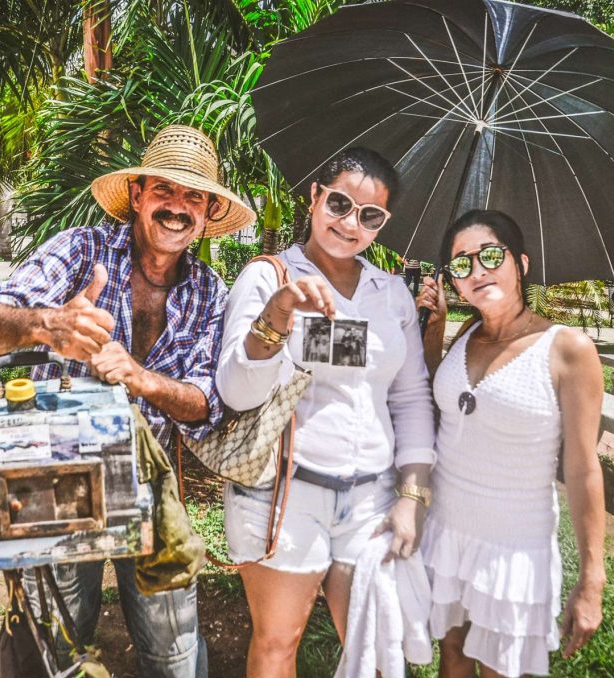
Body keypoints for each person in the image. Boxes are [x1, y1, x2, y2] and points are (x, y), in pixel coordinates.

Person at [0, 124, 256, 678]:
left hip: (150, 483)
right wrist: (47, 324)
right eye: (164, 191)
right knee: (55, 641)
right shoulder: (82, 250)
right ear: (138, 195)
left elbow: (206, 402)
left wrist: (142, 379)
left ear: (208, 212)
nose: (177, 207)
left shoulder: (210, 291)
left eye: (193, 196)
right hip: (55, 476)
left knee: (173, 652)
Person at [215, 148, 436, 676]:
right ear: (314, 197)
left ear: (382, 226)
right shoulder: (268, 278)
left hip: (371, 499)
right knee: (278, 641)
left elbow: (409, 399)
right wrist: (280, 312)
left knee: (376, 650)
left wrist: (412, 493)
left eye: (369, 215)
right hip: (285, 493)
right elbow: (236, 392)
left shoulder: (391, 297)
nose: (349, 222)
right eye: (339, 202)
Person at [415, 210, 606, 677]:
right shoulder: (465, 333)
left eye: (490, 256)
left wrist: (592, 579)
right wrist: (435, 332)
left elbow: (583, 470)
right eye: (461, 263)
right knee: (453, 657)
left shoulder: (568, 350)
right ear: (454, 282)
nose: (477, 270)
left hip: (514, 545)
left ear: (519, 263)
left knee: (503, 669)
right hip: (448, 529)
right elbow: (448, 412)